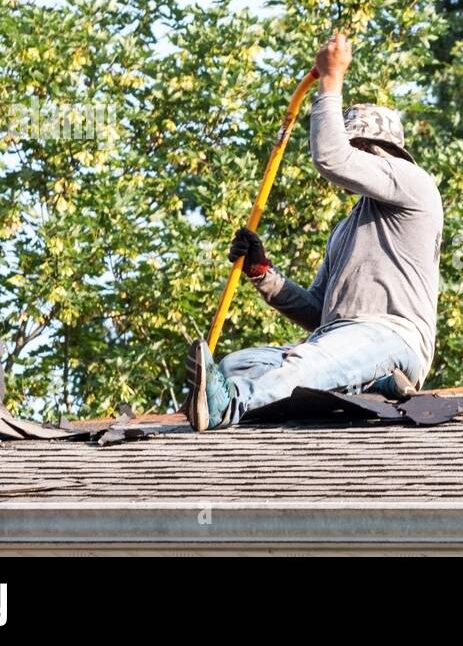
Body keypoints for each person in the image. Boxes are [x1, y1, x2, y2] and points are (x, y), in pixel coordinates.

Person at [183, 33, 443, 432]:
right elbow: (318, 312)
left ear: (378, 151)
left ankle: (228, 408)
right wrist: (262, 274)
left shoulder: (413, 184)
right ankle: (375, 385)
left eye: (357, 149)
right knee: (238, 364)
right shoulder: (346, 229)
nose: (352, 166)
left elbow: (331, 157)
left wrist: (331, 79)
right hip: (337, 338)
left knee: (306, 365)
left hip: (391, 338)